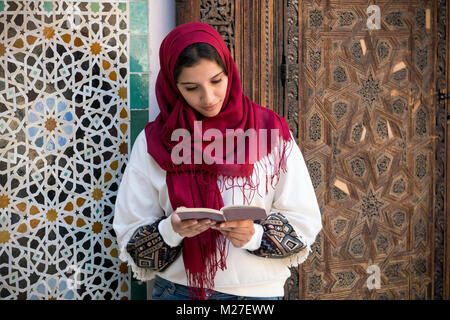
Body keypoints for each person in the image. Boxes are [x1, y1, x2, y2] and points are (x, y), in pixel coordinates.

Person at [113, 22, 322, 300]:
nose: (208, 98)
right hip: (179, 293)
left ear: (230, 73)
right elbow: (131, 237)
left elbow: (304, 222)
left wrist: (254, 235)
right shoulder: (155, 141)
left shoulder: (270, 131)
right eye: (191, 87)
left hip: (257, 297)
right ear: (173, 87)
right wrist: (172, 230)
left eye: (216, 81)